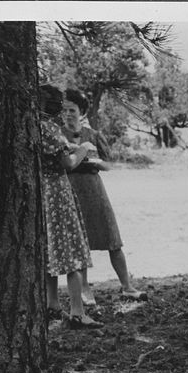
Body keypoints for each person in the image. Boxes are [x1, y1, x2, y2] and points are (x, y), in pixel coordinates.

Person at [61, 88, 147, 305]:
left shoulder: (94, 135)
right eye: (65, 110)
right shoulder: (59, 134)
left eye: (72, 110)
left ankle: (127, 286)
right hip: (71, 189)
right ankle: (85, 289)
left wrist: (97, 163)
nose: (68, 114)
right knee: (79, 241)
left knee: (112, 237)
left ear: (81, 112)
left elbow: (109, 164)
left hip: (95, 189)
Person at [38, 84, 102, 330]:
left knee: (50, 249)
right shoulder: (51, 130)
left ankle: (51, 304)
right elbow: (67, 163)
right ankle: (77, 312)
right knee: (71, 251)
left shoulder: (34, 127)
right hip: (58, 194)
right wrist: (84, 148)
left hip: (44, 193)